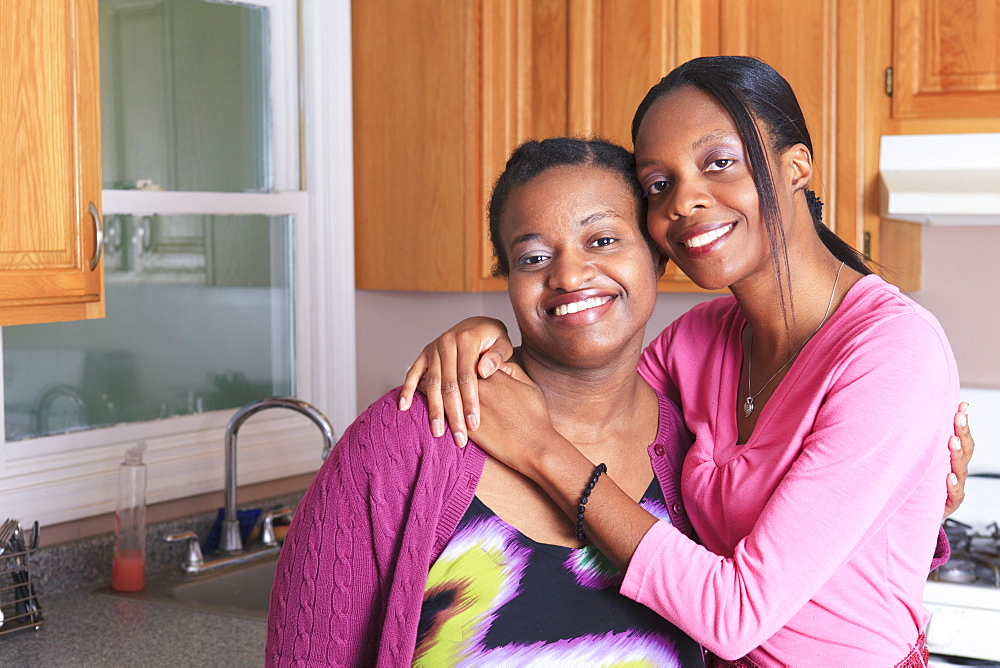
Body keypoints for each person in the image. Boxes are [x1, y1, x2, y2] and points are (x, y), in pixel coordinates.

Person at [399, 56, 974, 665]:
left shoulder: (893, 352)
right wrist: (483, 336)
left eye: (718, 163)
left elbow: (735, 615)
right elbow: (577, 403)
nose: (684, 201)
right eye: (658, 184)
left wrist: (544, 451)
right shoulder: (696, 342)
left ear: (796, 165)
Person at [266, 138, 707, 666]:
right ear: (509, 279)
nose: (568, 276)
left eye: (603, 240)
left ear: (656, 254)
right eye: (534, 257)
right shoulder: (411, 436)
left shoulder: (698, 446)